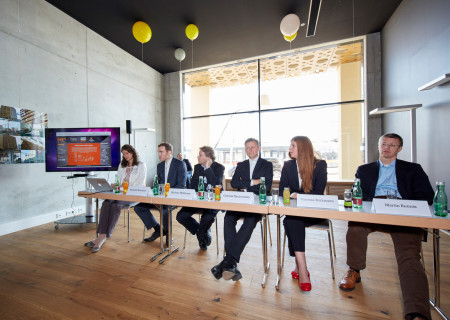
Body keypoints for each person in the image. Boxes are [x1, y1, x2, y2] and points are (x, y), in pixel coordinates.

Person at [338, 133, 434, 320]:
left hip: (402, 213)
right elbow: (358, 195)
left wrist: (401, 203)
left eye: (392, 145)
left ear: (399, 149)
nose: (387, 148)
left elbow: (427, 196)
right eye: (384, 144)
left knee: (409, 255)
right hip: (374, 211)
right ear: (378, 146)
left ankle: (417, 312)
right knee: (355, 228)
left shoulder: (413, 169)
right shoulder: (364, 170)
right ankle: (354, 270)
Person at [211, 138, 273, 281]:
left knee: (250, 220)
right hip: (242, 201)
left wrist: (244, 185)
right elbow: (234, 183)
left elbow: (266, 184)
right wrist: (253, 182)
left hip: (259, 202)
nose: (249, 150)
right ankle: (230, 264)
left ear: (258, 148)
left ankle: (227, 262)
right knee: (228, 217)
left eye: (252, 147)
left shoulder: (267, 165)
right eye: (247, 148)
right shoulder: (242, 164)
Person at [279, 136, 327, 291]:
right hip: (294, 212)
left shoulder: (320, 165)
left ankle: (300, 267)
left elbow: (318, 193)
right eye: (290, 145)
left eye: (293, 145)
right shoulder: (287, 165)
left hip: (314, 212)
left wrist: (298, 195)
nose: (290, 148)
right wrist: (294, 195)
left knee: (291, 221)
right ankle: (303, 268)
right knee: (292, 220)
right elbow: (282, 191)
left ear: (303, 148)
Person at [84, 144, 147, 253]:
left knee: (115, 204)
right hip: (120, 193)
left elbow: (141, 184)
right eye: (123, 154)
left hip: (134, 194)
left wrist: (125, 187)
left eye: (127, 153)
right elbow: (118, 180)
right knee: (107, 203)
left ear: (133, 152)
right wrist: (115, 185)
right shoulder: (121, 166)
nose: (125, 156)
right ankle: (101, 236)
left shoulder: (141, 165)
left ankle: (102, 237)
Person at [134, 142, 187, 243]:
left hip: (174, 197)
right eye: (158, 152)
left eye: (161, 152)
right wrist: (156, 197)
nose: (159, 154)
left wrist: (165, 197)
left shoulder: (180, 164)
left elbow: (181, 186)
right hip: (160, 197)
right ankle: (158, 230)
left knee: (164, 209)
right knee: (138, 207)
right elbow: (158, 184)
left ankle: (169, 234)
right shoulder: (160, 166)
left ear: (169, 152)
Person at [176, 146, 225, 250]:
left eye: (200, 155)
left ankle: (202, 234)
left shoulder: (219, 167)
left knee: (207, 218)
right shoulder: (197, 167)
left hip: (213, 201)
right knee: (181, 216)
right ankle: (201, 232)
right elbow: (193, 186)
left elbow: (216, 185)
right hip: (198, 200)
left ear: (208, 157)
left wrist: (207, 169)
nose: (197, 157)